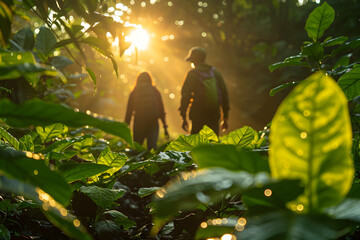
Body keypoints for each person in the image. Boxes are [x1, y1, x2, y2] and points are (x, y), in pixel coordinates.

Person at [179, 46, 229, 135]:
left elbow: (185, 96)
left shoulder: (192, 74)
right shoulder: (215, 72)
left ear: (193, 60)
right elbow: (224, 95)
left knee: (197, 144)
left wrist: (183, 116)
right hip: (213, 114)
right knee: (212, 144)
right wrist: (225, 117)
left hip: (197, 115)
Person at [125, 72, 169, 150]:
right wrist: (165, 127)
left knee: (137, 149)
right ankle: (150, 162)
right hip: (153, 123)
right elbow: (161, 111)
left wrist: (125, 129)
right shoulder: (155, 91)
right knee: (151, 150)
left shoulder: (134, 92)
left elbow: (129, 112)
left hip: (139, 123)